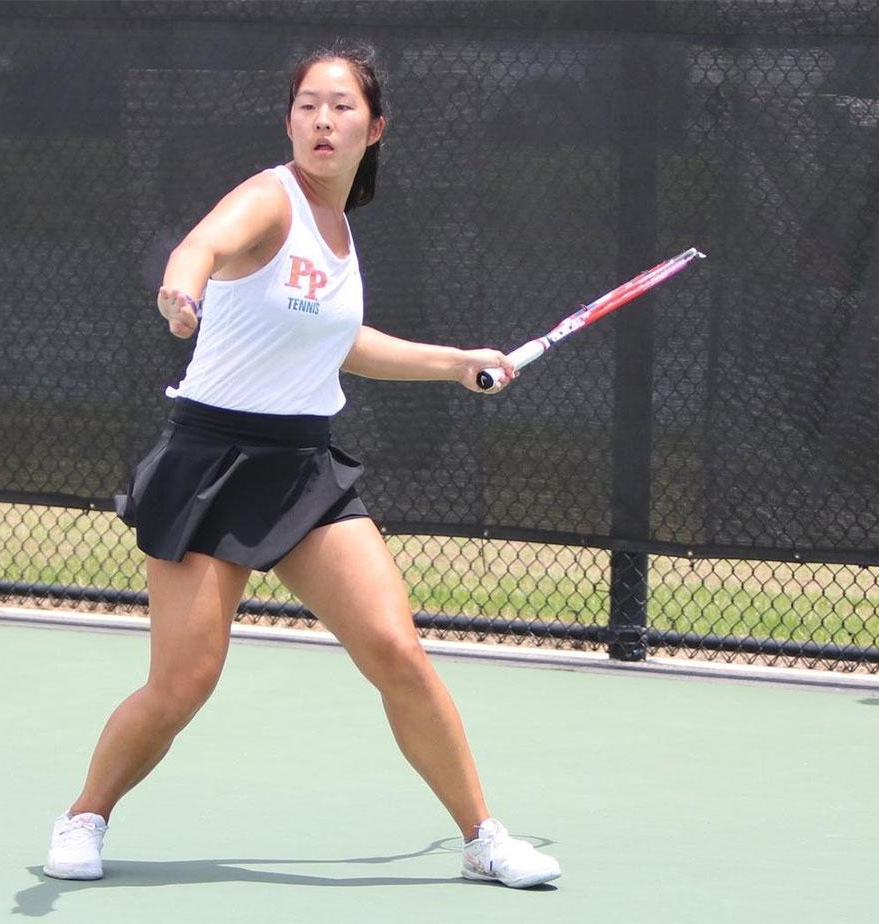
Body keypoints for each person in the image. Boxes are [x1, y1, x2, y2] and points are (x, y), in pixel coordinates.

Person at [45, 42, 561, 890]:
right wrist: (182, 290)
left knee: (397, 650)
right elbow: (200, 248)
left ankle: (483, 838)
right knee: (181, 686)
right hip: (211, 460)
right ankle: (83, 816)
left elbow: (339, 341)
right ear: (290, 121)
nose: (323, 121)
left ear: (375, 127)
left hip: (303, 465)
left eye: (342, 107)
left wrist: (452, 359)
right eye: (308, 106)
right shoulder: (269, 199)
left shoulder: (339, 226)